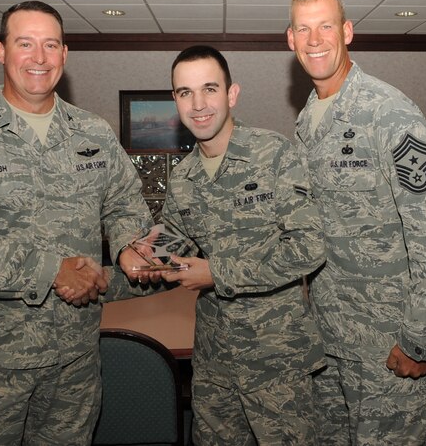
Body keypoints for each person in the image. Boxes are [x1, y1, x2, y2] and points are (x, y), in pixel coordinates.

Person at [0, 0, 153, 445]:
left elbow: (124, 201)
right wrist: (51, 270)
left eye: (50, 45)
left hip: (74, 356)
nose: (39, 57)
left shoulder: (93, 132)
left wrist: (128, 244)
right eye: (25, 43)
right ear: (1, 52)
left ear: (65, 55)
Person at [286, 0, 426, 445]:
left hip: (389, 347)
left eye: (325, 25)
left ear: (347, 31)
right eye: (304, 28)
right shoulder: (308, 119)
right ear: (290, 40)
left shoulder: (387, 112)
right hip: (331, 343)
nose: (315, 39)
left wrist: (421, 339)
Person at [120, 44, 326, 444]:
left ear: (231, 94)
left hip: (276, 362)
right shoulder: (183, 178)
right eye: (185, 92)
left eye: (209, 89)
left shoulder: (272, 153)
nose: (198, 104)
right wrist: (125, 261)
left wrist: (218, 273)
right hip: (215, 364)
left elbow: (309, 246)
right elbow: (172, 256)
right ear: (175, 102)